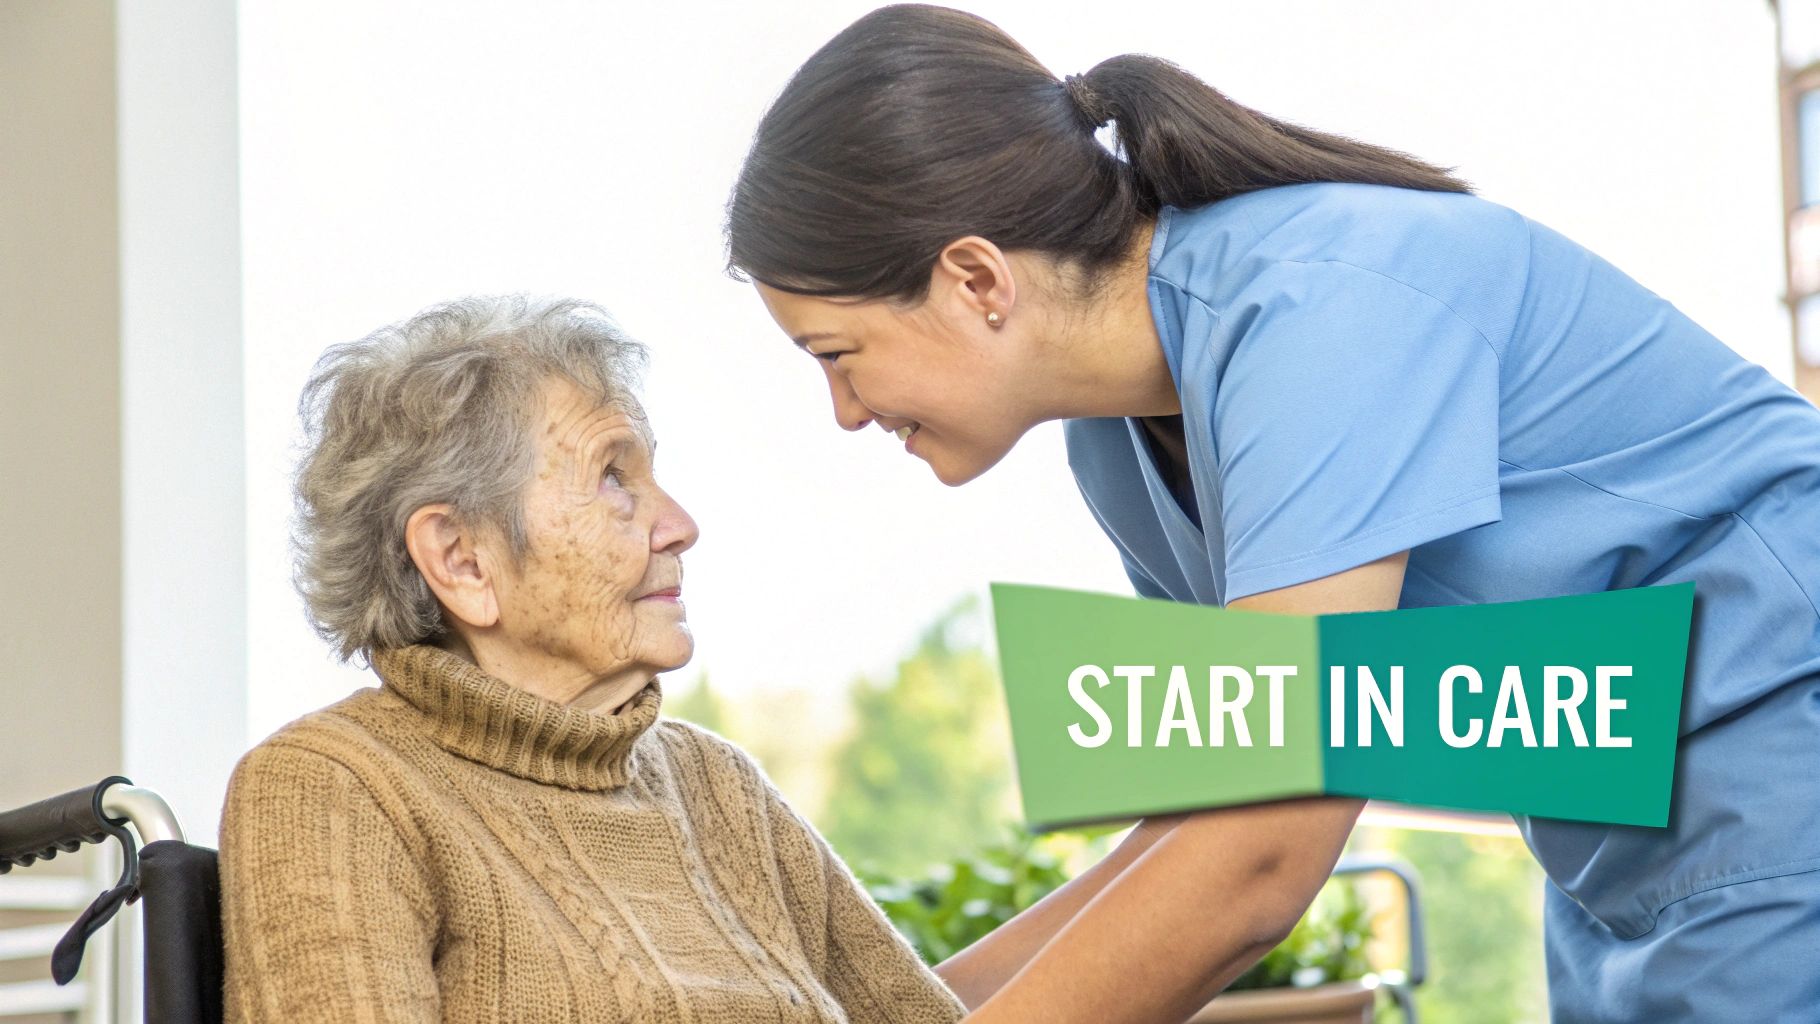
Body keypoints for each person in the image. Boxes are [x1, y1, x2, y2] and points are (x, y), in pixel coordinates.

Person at [723, 5, 1820, 1022]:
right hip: (1619, 846)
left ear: (974, 279)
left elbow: (1260, 854)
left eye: (837, 354)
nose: (843, 412)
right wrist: (889, 1008)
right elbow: (1210, 800)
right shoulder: (1115, 443)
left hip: (1777, 777)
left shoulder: (1318, 311)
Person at [217, 296, 964, 1024]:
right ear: (461, 560)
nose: (679, 526)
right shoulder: (337, 787)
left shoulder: (720, 787)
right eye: (613, 477)